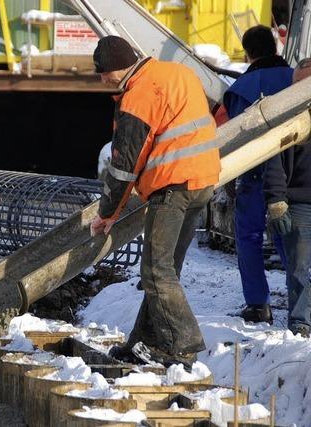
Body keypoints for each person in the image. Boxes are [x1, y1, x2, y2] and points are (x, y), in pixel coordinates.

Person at [90, 36, 220, 370]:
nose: (102, 80)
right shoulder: (175, 73)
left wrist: (107, 214)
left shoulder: (139, 95)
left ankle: (182, 345)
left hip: (172, 186)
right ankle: (144, 342)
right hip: (202, 180)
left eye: (101, 73)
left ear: (114, 69)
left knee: (155, 271)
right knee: (164, 269)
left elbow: (124, 166)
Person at [223, 25, 293, 324]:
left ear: (248, 53)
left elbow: (234, 136)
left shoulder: (241, 88)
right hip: (293, 172)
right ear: (276, 48)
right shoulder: (297, 79)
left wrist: (229, 176)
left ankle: (258, 305)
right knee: (290, 236)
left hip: (253, 173)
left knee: (249, 237)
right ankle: (300, 300)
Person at [263, 58, 311, 338]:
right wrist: (276, 201)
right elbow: (275, 163)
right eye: (296, 86)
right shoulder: (288, 119)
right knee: (299, 267)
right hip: (300, 202)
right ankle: (301, 323)